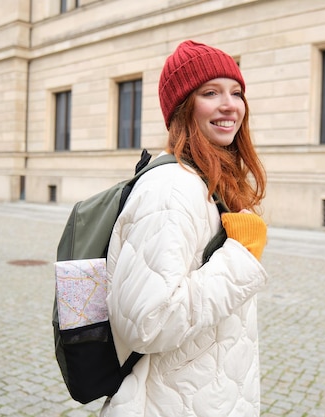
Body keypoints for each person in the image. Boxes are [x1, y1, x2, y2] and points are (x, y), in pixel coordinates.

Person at [102, 40, 269, 417]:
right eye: (211, 92)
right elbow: (146, 323)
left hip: (199, 397)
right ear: (183, 108)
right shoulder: (173, 188)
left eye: (237, 92)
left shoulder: (208, 181)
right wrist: (240, 258)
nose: (230, 104)